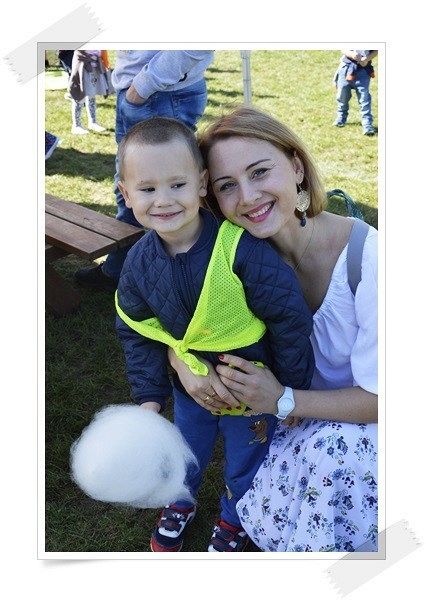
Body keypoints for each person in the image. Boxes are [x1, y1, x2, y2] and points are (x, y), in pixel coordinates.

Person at [169, 106, 378, 552]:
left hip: (360, 429)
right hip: (286, 420)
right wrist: (182, 363)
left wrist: (282, 399)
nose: (247, 197)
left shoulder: (374, 262)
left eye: (260, 172)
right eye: (227, 185)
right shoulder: (231, 261)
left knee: (333, 454)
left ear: (296, 167)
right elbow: (177, 318)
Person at [114, 117, 315, 552]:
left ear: (202, 184)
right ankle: (179, 500)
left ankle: (236, 516)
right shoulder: (137, 264)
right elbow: (137, 330)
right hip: (191, 392)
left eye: (177, 185)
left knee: (246, 460)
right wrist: (149, 397)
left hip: (253, 391)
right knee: (185, 450)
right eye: (147, 189)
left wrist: (290, 389)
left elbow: (289, 319)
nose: (163, 200)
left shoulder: (241, 248)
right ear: (125, 194)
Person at [75, 50, 214, 291]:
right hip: (145, 91)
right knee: (136, 188)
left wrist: (141, 87)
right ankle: (127, 270)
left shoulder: (148, 87)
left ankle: (180, 276)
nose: (162, 200)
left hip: (159, 92)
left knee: (167, 197)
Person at [334, 49, 378, 136]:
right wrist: (351, 54)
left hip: (363, 71)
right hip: (346, 68)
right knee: (342, 96)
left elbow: (376, 51)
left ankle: (367, 125)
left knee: (364, 98)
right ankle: (341, 118)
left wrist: (367, 59)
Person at [67, 50, 110, 134]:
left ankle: (93, 122)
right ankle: (76, 125)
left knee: (91, 94)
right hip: (82, 62)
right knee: (79, 93)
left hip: (95, 63)